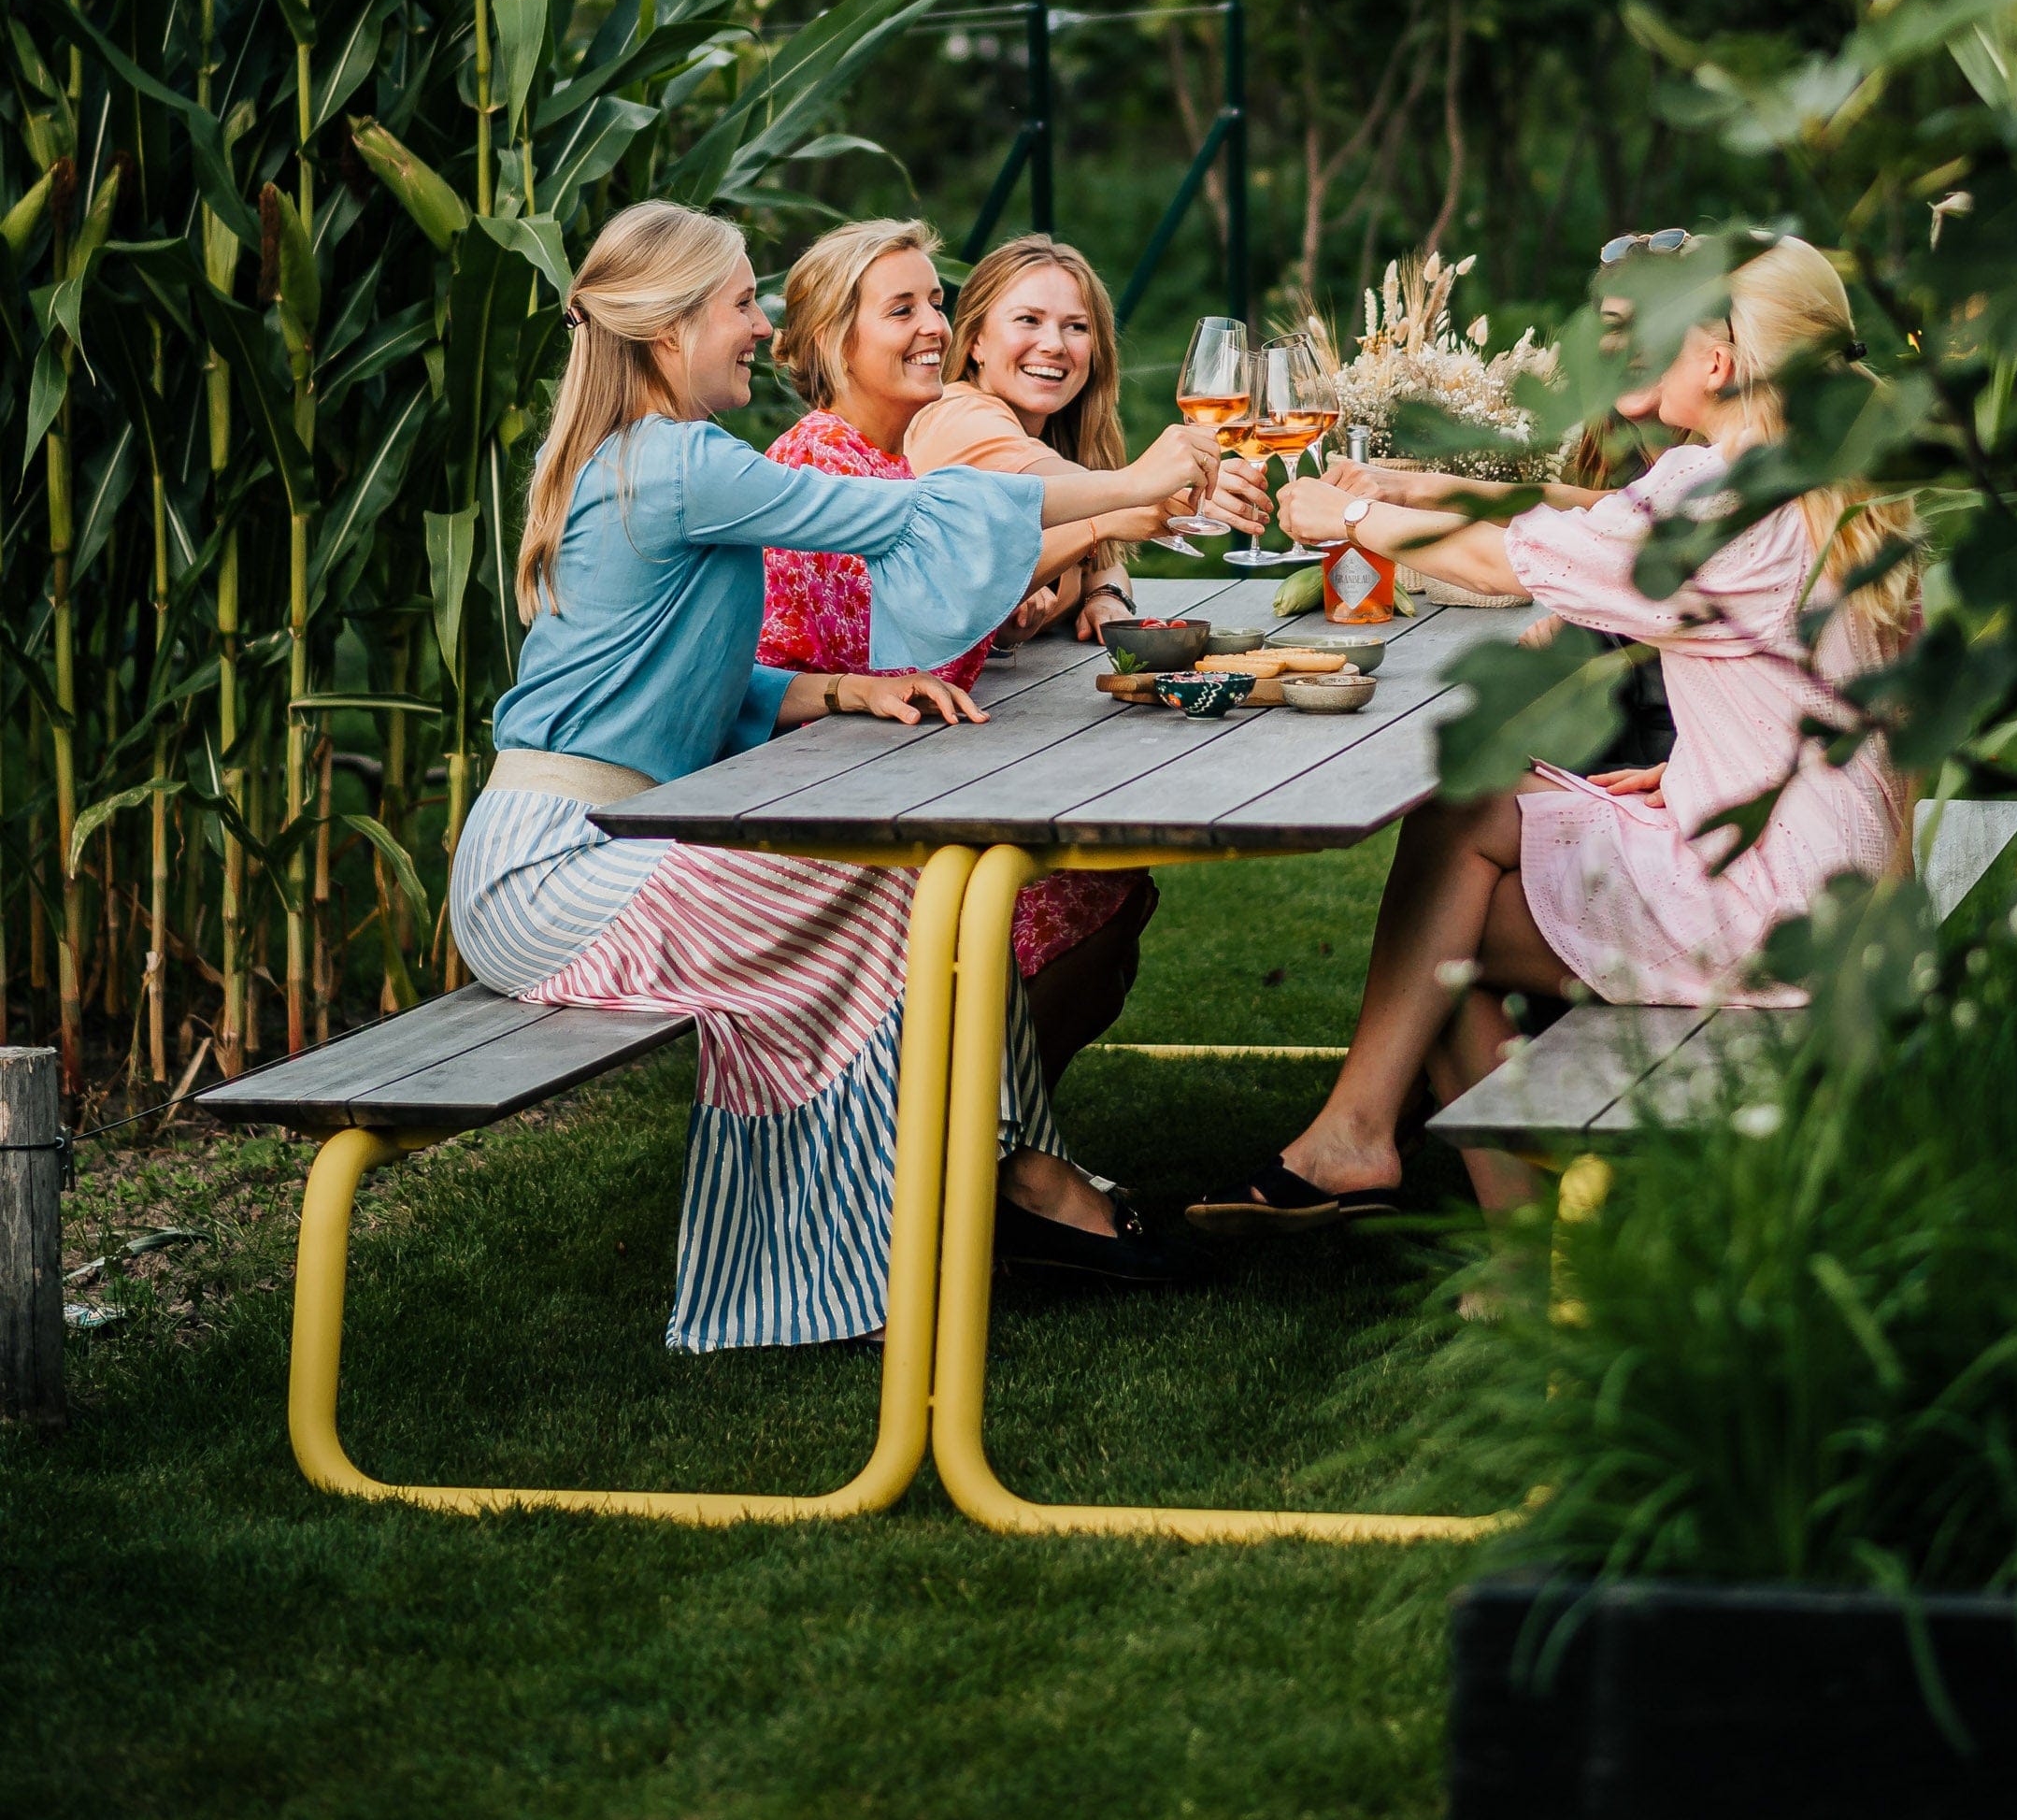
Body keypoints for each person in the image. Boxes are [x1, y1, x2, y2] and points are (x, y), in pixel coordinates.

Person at [449, 200, 1221, 1344]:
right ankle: (973, 1205)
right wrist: (1131, 483)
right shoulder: (678, 463)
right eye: (737, 304)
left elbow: (670, 683)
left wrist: (839, 690)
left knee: (924, 886)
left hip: (593, 847)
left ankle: (942, 1213)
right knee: (908, 887)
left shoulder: (646, 459)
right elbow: (908, 513)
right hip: (553, 874)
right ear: (669, 332)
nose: (757, 325)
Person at [1188, 237, 1919, 1229]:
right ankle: (1375, 1150)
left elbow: (1508, 565)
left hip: (1777, 912)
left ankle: (1444, 1198)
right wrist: (1420, 491)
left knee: (1444, 927)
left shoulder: (1734, 504)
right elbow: (1590, 517)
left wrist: (1350, 511)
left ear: (1715, 359)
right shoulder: (1788, 477)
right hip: (1812, 860)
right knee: (1464, 838)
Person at [763, 222, 1267, 1079]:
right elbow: (962, 552)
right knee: (1077, 887)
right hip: (817, 798)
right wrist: (1126, 506)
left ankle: (987, 1138)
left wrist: (1091, 565)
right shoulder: (855, 452)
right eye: (903, 309)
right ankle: (983, 1145)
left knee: (1100, 881)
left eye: (934, 302)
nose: (933, 324)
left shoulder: (885, 459)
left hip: (883, 769)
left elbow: (949, 573)